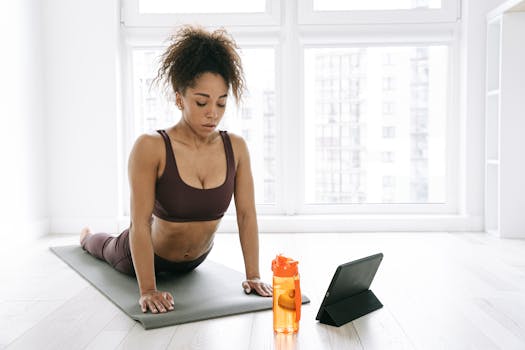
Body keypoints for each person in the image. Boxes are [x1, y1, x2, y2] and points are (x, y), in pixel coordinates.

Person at [79, 25, 273, 314]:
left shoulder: (236, 147)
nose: (213, 113)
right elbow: (140, 223)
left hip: (196, 260)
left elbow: (246, 214)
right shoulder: (151, 146)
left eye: (221, 103)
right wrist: (148, 290)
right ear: (179, 98)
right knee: (103, 246)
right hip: (140, 258)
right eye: (201, 102)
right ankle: (85, 237)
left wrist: (253, 274)